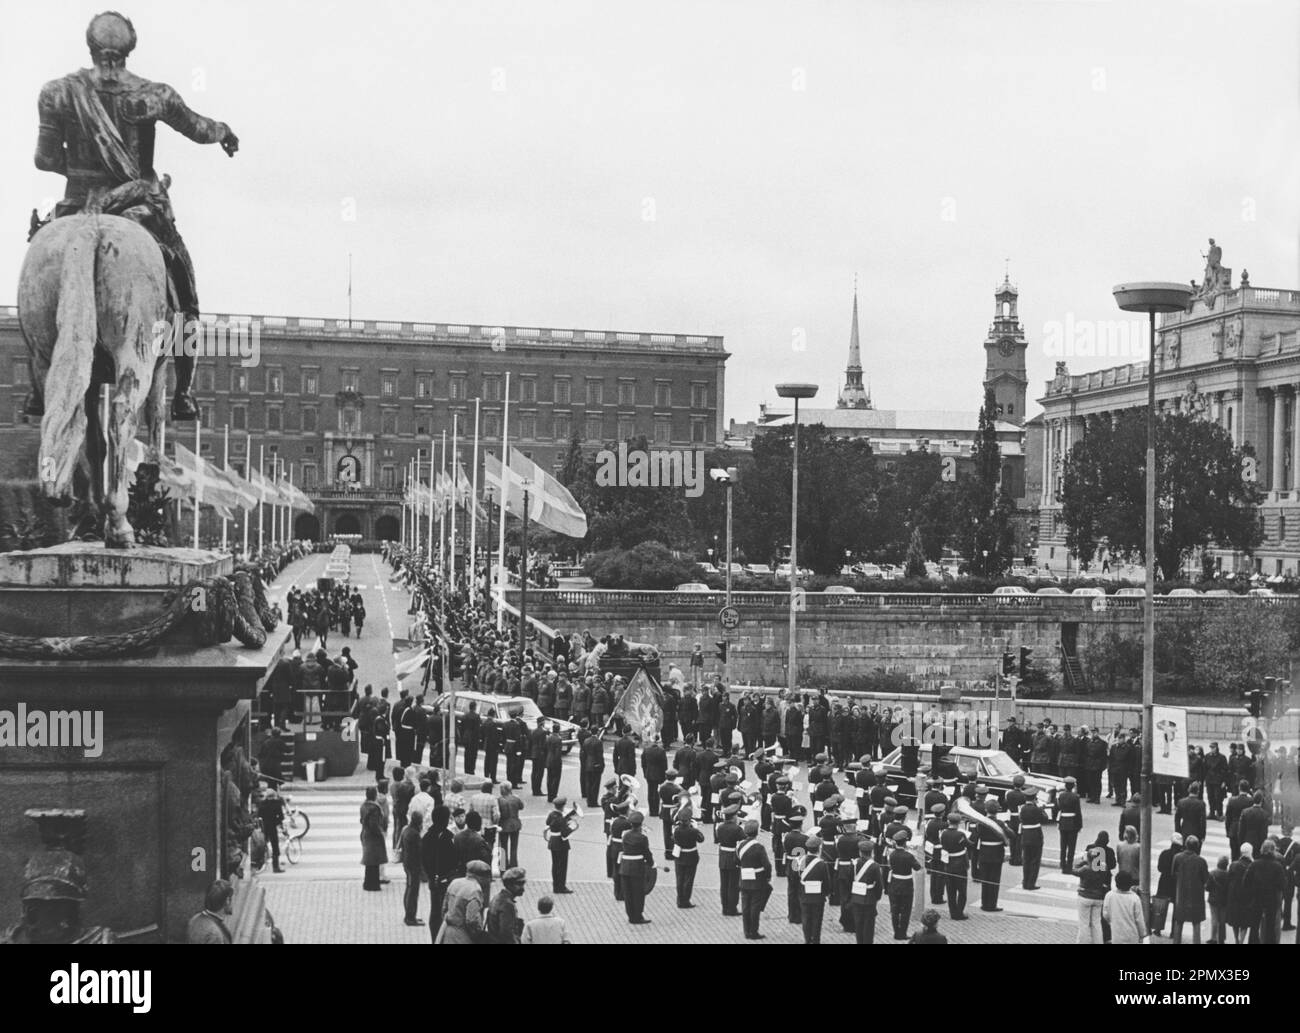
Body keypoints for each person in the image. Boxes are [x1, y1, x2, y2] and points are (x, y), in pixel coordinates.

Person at [421, 805, 457, 941]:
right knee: (443, 912)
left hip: (433, 881)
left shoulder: (427, 837)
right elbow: (454, 860)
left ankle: (434, 939)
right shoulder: (448, 838)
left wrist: (430, 875)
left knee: (435, 912)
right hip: (445, 880)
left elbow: (423, 859)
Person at [437, 859, 491, 944]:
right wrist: (478, 934)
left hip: (447, 931)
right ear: (480, 877)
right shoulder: (475, 890)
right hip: (462, 934)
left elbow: (444, 909)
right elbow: (471, 920)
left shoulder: (455, 882)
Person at [1244, 839, 1287, 943]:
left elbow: (1245, 882)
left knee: (1254, 927)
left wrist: (1251, 893)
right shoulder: (1277, 866)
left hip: (1256, 899)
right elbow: (1283, 885)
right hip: (1271, 900)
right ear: (1273, 851)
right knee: (1270, 928)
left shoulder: (1255, 865)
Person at [1072, 834, 1114, 944]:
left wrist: (1083, 861)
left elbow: (1074, 869)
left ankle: (1084, 942)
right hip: (1098, 897)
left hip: (1085, 896)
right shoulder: (1103, 869)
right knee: (1096, 923)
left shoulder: (1085, 869)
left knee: (1084, 923)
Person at [737, 820, 773, 940]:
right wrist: (768, 876)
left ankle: (746, 931)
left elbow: (736, 861)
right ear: (757, 832)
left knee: (745, 906)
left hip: (744, 879)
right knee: (755, 907)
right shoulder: (759, 847)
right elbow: (767, 865)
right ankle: (754, 931)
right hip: (757, 880)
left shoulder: (740, 845)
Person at [1171, 834, 1208, 944]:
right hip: (1196, 895)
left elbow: (1173, 874)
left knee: (1179, 921)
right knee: (1196, 923)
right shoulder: (1201, 861)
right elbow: (1206, 879)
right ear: (1197, 847)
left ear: (1186, 845)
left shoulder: (1177, 857)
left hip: (1181, 894)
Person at [620, 811, 654, 924]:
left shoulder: (625, 835)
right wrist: (651, 863)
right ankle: (638, 916)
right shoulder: (642, 838)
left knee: (628, 893)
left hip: (625, 867)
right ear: (640, 825)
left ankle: (631, 916)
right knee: (638, 893)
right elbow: (646, 853)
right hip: (637, 868)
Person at [848, 836, 884, 944]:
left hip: (856, 898)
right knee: (868, 927)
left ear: (860, 852)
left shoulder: (854, 863)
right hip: (869, 898)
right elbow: (879, 885)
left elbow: (849, 880)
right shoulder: (875, 866)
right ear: (871, 852)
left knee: (858, 925)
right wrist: (877, 897)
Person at [799, 835, 829, 944]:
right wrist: (826, 893)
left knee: (806, 919)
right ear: (818, 848)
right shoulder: (822, 864)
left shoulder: (800, 861)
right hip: (818, 896)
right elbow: (826, 881)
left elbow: (795, 877)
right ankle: (816, 940)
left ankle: (807, 940)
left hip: (805, 894)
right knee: (817, 920)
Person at [1102, 870, 1148, 944]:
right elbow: (1139, 919)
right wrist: (1142, 934)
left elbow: (1105, 915)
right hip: (1132, 936)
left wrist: (1112, 921)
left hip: (1116, 935)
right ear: (1130, 884)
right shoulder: (1135, 898)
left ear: (1116, 882)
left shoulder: (1109, 895)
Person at [486, 867, 527, 944]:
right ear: (509, 884)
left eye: (523, 884)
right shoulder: (507, 905)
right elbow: (507, 934)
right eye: (519, 884)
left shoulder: (498, 897)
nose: (522, 888)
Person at [1225, 842, 1255, 944]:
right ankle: (1241, 941)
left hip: (1234, 897)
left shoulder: (1233, 865)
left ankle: (1237, 940)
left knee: (1235, 921)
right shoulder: (1252, 866)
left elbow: (1228, 880)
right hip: (1246, 898)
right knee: (1244, 923)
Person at [360, 786, 388, 892]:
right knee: (374, 861)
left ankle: (368, 883)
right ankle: (373, 884)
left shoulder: (364, 805)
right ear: (374, 795)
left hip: (366, 834)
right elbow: (374, 824)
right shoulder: (374, 808)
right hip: (373, 837)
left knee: (369, 861)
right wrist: (380, 833)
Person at [399, 811, 425, 926]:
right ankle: (410, 917)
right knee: (413, 892)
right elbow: (420, 851)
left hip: (407, 864)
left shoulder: (407, 830)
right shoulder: (414, 834)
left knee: (409, 889)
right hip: (413, 866)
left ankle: (409, 915)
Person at [545, 798, 574, 893]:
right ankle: (561, 886)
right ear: (562, 806)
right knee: (562, 866)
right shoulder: (560, 818)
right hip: (561, 843)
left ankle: (555, 886)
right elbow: (565, 833)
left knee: (555, 865)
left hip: (553, 841)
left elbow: (548, 822)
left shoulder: (552, 814)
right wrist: (571, 827)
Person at [256, 784, 286, 875]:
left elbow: (259, 815)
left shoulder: (262, 804)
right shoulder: (276, 804)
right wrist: (277, 822)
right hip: (272, 827)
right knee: (275, 846)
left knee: (262, 845)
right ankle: (275, 866)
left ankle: (258, 864)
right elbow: (281, 817)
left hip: (264, 827)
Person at [497, 783, 524, 869]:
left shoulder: (499, 800)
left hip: (503, 825)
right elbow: (521, 806)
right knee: (514, 846)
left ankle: (503, 865)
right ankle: (513, 864)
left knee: (503, 846)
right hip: (515, 824)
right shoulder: (516, 798)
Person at [1206, 854, 1231, 944]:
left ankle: (1213, 938)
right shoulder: (1229, 875)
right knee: (1222, 920)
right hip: (1224, 900)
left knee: (1214, 919)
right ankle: (1221, 938)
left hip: (1213, 899)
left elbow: (1207, 887)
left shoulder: (1212, 873)